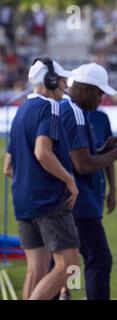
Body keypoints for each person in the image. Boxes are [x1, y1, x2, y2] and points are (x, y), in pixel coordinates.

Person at [2, 58, 80, 300]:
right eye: (63, 79)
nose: (66, 85)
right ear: (51, 80)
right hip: (48, 202)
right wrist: (69, 181)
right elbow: (42, 152)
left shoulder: (21, 111)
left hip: (24, 203)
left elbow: (8, 167)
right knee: (68, 266)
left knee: (36, 269)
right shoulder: (50, 107)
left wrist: (30, 181)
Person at [59, 63, 117, 300]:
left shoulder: (83, 113)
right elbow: (82, 163)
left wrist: (108, 151)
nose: (102, 98)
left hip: (83, 197)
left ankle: (66, 292)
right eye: (99, 92)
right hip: (78, 201)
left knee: (74, 256)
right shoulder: (72, 112)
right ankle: (67, 291)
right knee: (98, 259)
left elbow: (85, 157)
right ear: (83, 89)